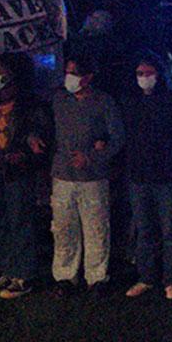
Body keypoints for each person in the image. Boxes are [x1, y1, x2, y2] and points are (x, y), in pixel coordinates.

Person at [50, 55, 125, 297]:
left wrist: (92, 156)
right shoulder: (60, 100)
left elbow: (117, 138)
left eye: (74, 73)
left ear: (88, 77)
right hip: (63, 175)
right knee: (63, 228)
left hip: (93, 177)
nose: (69, 78)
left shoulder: (104, 102)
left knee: (96, 228)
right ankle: (65, 276)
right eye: (68, 72)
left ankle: (96, 278)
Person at [0, 53, 49, 299]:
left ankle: (25, 274)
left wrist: (25, 152)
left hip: (16, 169)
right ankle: (8, 269)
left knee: (20, 219)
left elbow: (38, 135)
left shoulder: (30, 104)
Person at [121, 52, 172, 300]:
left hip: (165, 176)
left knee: (170, 230)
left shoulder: (171, 101)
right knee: (144, 230)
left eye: (148, 73)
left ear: (159, 75)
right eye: (140, 73)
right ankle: (146, 277)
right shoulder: (131, 102)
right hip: (139, 175)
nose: (144, 78)